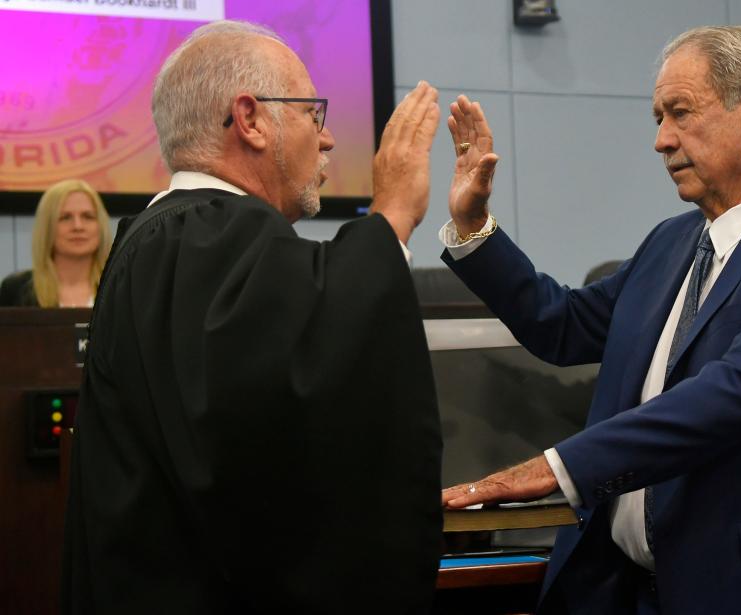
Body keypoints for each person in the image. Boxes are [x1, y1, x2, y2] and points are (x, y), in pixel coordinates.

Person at [440, 25, 741, 615]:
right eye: (657, 118)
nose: (661, 141)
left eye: (680, 113)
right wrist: (474, 228)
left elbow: (732, 393)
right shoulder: (672, 242)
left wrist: (560, 467)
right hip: (628, 592)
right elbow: (560, 324)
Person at [63, 21, 443, 614]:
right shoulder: (204, 238)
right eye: (312, 114)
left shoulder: (177, 240)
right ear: (251, 119)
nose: (328, 140)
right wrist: (390, 215)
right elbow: (287, 405)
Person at [0, 179, 111, 307]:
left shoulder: (122, 288)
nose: (78, 226)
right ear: (47, 227)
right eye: (65, 217)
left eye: (88, 216)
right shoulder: (16, 290)